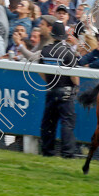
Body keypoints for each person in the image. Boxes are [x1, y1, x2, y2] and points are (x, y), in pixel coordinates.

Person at [39, 20, 78, 158]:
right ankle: (67, 153)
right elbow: (74, 75)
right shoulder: (68, 52)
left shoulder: (45, 50)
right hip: (66, 91)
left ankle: (47, 151)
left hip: (51, 90)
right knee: (67, 123)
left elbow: (40, 70)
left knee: (49, 123)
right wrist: (76, 87)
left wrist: (50, 82)